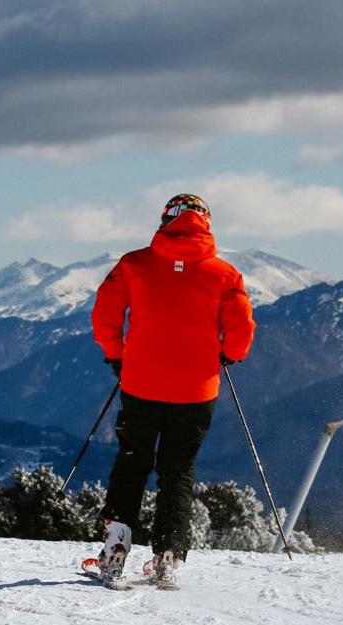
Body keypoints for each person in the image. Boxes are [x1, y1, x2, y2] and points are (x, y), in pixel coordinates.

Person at [90, 193, 255, 588]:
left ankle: (114, 551)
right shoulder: (225, 274)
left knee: (131, 463)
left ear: (166, 220)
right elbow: (242, 331)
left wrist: (117, 355)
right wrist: (227, 355)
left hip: (140, 382)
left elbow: (104, 313)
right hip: (196, 391)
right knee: (177, 472)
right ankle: (168, 555)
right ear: (207, 224)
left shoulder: (134, 264)